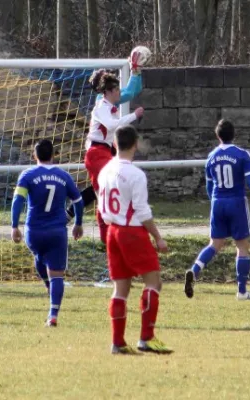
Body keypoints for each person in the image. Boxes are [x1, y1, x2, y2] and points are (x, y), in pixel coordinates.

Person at [98, 125, 173, 355]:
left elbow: (101, 205)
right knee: (154, 282)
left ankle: (118, 342)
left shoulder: (105, 170)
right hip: (131, 232)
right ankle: (146, 338)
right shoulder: (135, 174)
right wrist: (158, 237)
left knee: (121, 288)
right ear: (135, 144)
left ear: (114, 143)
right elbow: (142, 211)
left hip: (112, 231)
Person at [185, 120, 250, 300]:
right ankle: (242, 291)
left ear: (217, 136)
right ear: (234, 134)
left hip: (217, 202)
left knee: (214, 244)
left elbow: (209, 187)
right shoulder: (241, 155)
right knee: (242, 246)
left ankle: (194, 271)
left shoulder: (211, 157)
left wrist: (215, 203)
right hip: (236, 202)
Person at [11, 139, 84, 327]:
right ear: (53, 155)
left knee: (39, 255)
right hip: (56, 231)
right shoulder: (64, 176)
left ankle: (48, 286)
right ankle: (53, 314)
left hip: (33, 231)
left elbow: (18, 201)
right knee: (57, 273)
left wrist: (14, 226)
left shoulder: (27, 175)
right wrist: (78, 223)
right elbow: (78, 201)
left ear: (35, 155)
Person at [66, 53, 144, 228]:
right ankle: (108, 225)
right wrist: (135, 73)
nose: (117, 89)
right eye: (113, 86)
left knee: (102, 189)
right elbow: (130, 93)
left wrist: (136, 71)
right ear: (104, 88)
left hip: (107, 149)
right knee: (106, 188)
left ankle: (74, 213)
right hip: (98, 150)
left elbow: (130, 92)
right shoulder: (102, 103)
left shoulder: (108, 102)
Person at [82, 71, 144, 244]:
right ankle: (107, 237)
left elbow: (110, 133)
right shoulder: (101, 106)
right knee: (105, 193)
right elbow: (110, 125)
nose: (119, 92)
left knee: (109, 192)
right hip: (96, 154)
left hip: (104, 152)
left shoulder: (110, 108)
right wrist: (134, 115)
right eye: (116, 89)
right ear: (107, 92)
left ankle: (113, 234)